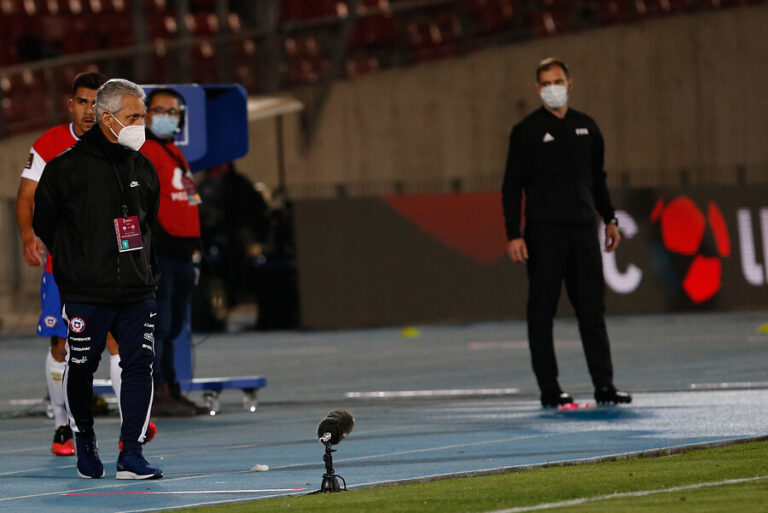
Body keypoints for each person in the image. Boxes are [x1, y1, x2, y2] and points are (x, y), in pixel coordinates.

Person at [33, 78, 163, 479]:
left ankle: (131, 453)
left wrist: (144, 271)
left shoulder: (143, 166)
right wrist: (80, 262)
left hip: (137, 290)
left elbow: (147, 221)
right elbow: (45, 223)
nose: (143, 122)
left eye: (143, 115)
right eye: (134, 116)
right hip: (87, 291)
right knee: (83, 364)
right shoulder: (64, 169)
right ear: (108, 119)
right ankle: (83, 439)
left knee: (140, 365)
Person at [501, 58, 632, 408]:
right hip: (544, 234)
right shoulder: (526, 131)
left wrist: (610, 218)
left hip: (583, 231)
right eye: (545, 83)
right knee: (541, 312)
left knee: (593, 311)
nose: (552, 88)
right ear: (537, 88)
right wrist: (514, 233)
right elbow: (512, 187)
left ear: (570, 83)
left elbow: (598, 179)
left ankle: (604, 386)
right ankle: (550, 389)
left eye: (558, 81)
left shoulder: (587, 127)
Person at [15, 71, 123, 456]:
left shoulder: (117, 143)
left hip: (107, 262)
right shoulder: (49, 144)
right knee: (61, 343)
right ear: (71, 104)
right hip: (61, 264)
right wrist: (29, 237)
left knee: (118, 339)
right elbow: (26, 196)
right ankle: (63, 427)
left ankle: (133, 424)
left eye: (97, 103)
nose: (89, 110)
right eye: (82, 101)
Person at [140, 87, 207, 416]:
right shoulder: (147, 151)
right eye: (160, 110)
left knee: (176, 325)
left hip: (182, 252)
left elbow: (188, 201)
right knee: (162, 325)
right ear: (147, 114)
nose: (167, 117)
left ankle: (172, 388)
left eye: (173, 112)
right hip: (163, 252)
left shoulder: (175, 153)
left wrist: (195, 247)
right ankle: (158, 390)